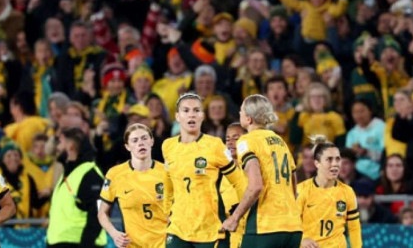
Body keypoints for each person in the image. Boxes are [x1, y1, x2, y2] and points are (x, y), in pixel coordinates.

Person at [163, 92, 244, 248]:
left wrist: (237, 216)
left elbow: (239, 181)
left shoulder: (215, 145)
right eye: (186, 111)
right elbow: (168, 181)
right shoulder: (168, 146)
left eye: (196, 110)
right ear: (177, 116)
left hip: (210, 231)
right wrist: (168, 211)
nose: (191, 115)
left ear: (202, 116)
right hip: (178, 229)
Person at [222, 94, 302, 248]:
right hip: (293, 227)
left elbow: (256, 185)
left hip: (265, 226)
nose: (239, 114)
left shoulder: (247, 141)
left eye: (241, 111)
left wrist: (234, 218)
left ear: (249, 118)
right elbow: (294, 188)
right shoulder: (281, 142)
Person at [98, 123, 171, 248]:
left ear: (152, 141)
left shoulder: (167, 172)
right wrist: (114, 234)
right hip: (133, 245)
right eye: (135, 140)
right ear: (127, 146)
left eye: (144, 138)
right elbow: (102, 213)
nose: (140, 143)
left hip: (164, 244)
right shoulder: (115, 174)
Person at [296, 135, 362, 248]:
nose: (335, 164)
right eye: (329, 159)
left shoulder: (347, 192)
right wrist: (301, 240)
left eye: (337, 159)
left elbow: (354, 228)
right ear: (317, 163)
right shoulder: (301, 190)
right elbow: (290, 224)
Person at [46, 127, 108, 248]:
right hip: (62, 243)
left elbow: (97, 214)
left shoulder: (90, 174)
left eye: (60, 142)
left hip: (80, 244)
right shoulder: (69, 173)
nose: (57, 148)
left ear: (71, 146)